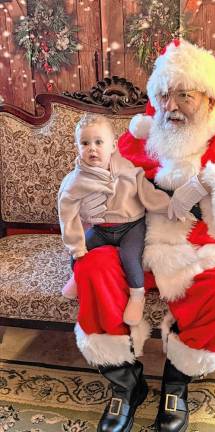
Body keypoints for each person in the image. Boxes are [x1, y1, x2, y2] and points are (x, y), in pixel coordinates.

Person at [72, 40, 215, 432]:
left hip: (204, 252)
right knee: (93, 268)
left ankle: (177, 380)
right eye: (163, 95)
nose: (171, 106)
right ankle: (125, 382)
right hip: (137, 245)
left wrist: (212, 182)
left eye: (184, 96)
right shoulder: (142, 133)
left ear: (210, 99)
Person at [58, 113, 171, 326]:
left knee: (131, 258)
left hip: (131, 226)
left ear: (113, 146)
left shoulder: (127, 170)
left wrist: (168, 206)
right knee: (79, 252)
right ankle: (77, 276)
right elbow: (67, 213)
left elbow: (146, 192)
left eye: (99, 142)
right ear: (77, 146)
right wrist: (76, 245)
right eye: (85, 143)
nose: (92, 148)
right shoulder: (76, 180)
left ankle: (137, 296)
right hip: (101, 229)